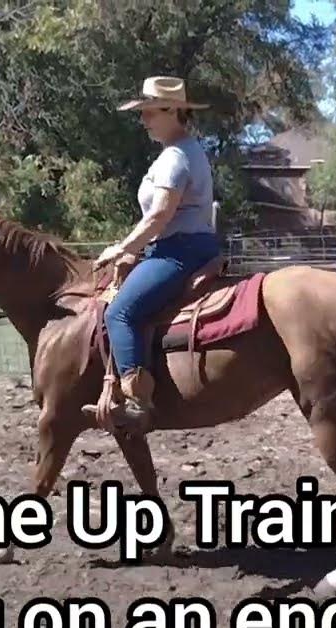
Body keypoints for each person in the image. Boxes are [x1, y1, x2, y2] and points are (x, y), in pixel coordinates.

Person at [84, 76, 220, 432]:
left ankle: (136, 402)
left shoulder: (176, 157)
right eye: (141, 113)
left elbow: (160, 215)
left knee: (120, 313)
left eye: (148, 113)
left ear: (172, 110)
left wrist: (123, 248)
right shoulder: (184, 151)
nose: (143, 120)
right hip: (184, 245)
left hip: (178, 250)